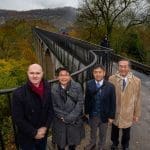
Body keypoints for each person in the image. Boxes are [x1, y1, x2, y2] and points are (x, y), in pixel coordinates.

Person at [11, 63, 54, 150]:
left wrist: (45, 127)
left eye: (38, 73)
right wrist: (34, 133)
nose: (35, 76)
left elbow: (50, 110)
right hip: (27, 137)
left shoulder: (48, 89)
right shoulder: (19, 94)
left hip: (42, 134)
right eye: (32, 73)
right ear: (27, 73)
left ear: (42, 73)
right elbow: (18, 118)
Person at [109, 59, 141, 150]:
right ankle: (114, 143)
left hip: (128, 112)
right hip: (115, 111)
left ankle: (125, 145)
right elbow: (108, 97)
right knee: (114, 130)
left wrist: (136, 114)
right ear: (118, 67)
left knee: (126, 132)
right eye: (121, 66)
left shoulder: (137, 81)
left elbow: (138, 98)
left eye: (125, 66)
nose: (123, 68)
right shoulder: (111, 79)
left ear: (129, 68)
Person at [51, 67, 85, 150]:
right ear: (57, 77)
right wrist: (64, 117)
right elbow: (53, 106)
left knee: (72, 144)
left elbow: (80, 103)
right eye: (61, 75)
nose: (63, 77)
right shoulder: (54, 88)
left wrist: (69, 118)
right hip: (60, 121)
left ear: (70, 76)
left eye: (66, 75)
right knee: (60, 144)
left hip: (73, 121)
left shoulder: (77, 86)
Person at [84, 64, 116, 150]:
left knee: (103, 132)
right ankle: (92, 143)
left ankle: (101, 146)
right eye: (95, 72)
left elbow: (113, 103)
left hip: (104, 115)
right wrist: (86, 112)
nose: (98, 74)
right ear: (93, 73)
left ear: (104, 73)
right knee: (93, 131)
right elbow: (87, 99)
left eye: (100, 72)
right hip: (93, 114)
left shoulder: (110, 86)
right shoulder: (89, 84)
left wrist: (111, 116)